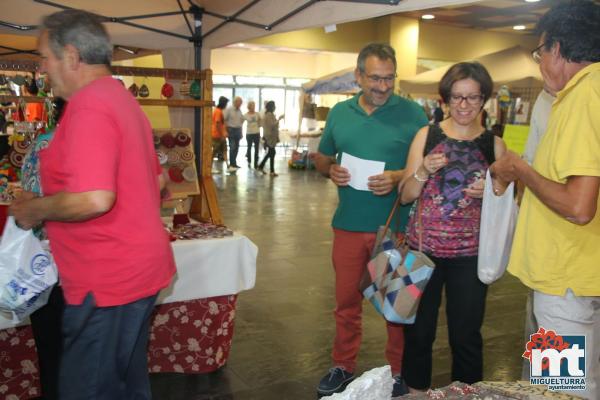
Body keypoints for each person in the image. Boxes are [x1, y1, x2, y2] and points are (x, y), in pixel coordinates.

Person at [10, 9, 176, 400]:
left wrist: (37, 209)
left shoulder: (88, 105)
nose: (43, 68)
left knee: (89, 389)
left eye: (44, 57)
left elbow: (95, 198)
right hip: (135, 274)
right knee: (125, 384)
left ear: (71, 56)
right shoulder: (120, 98)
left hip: (107, 282)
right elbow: (159, 179)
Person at [491, 2, 600, 398]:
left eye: (540, 54)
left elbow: (578, 205)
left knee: (557, 390)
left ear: (557, 48)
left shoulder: (580, 96)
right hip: (585, 271)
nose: (540, 64)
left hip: (564, 279)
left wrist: (521, 170)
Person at [314, 43, 428, 397]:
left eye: (389, 78)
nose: (382, 86)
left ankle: (397, 372)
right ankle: (343, 365)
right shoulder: (340, 113)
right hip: (348, 224)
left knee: (397, 306)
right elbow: (320, 156)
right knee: (346, 303)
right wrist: (329, 168)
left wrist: (396, 177)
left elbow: (422, 168)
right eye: (375, 78)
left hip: (395, 227)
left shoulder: (413, 114)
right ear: (358, 76)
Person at [399, 61, 507, 391]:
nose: (464, 106)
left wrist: (491, 192)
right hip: (422, 252)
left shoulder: (494, 145)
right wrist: (423, 171)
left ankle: (467, 395)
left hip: (470, 256)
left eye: (472, 98)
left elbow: (507, 203)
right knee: (417, 334)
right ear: (445, 99)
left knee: (467, 336)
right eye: (457, 97)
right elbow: (405, 196)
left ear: (484, 99)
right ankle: (415, 394)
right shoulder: (427, 135)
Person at [20, 98, 66, 400]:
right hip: (80, 263)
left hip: (44, 261)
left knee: (51, 352)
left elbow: (26, 199)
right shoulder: (95, 145)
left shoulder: (41, 144)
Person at [257, 101, 282, 177]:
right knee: (272, 152)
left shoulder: (270, 114)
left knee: (271, 153)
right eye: (274, 106)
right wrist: (279, 119)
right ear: (271, 107)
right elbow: (272, 125)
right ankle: (270, 170)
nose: (275, 107)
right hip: (269, 137)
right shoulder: (268, 115)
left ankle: (263, 167)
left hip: (271, 136)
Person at [224, 96, 244, 171]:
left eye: (241, 103)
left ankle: (234, 163)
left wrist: (241, 132)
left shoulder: (240, 110)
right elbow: (225, 120)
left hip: (238, 130)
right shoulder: (229, 109)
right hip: (231, 129)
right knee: (232, 147)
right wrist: (225, 131)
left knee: (237, 148)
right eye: (240, 103)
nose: (240, 104)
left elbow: (241, 122)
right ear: (235, 102)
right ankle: (232, 164)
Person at [244, 100, 261, 169]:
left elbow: (260, 121)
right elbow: (241, 122)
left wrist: (260, 124)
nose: (253, 107)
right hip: (249, 133)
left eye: (254, 106)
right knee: (249, 147)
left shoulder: (257, 114)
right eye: (252, 106)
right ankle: (249, 161)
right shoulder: (245, 115)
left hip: (256, 133)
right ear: (249, 107)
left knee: (257, 148)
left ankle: (256, 163)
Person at [212, 96, 229, 164]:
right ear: (224, 103)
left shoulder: (217, 110)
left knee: (224, 149)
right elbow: (217, 123)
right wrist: (223, 133)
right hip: (217, 135)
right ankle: (209, 168)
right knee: (214, 152)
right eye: (226, 103)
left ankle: (228, 165)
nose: (226, 105)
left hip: (219, 135)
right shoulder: (218, 111)